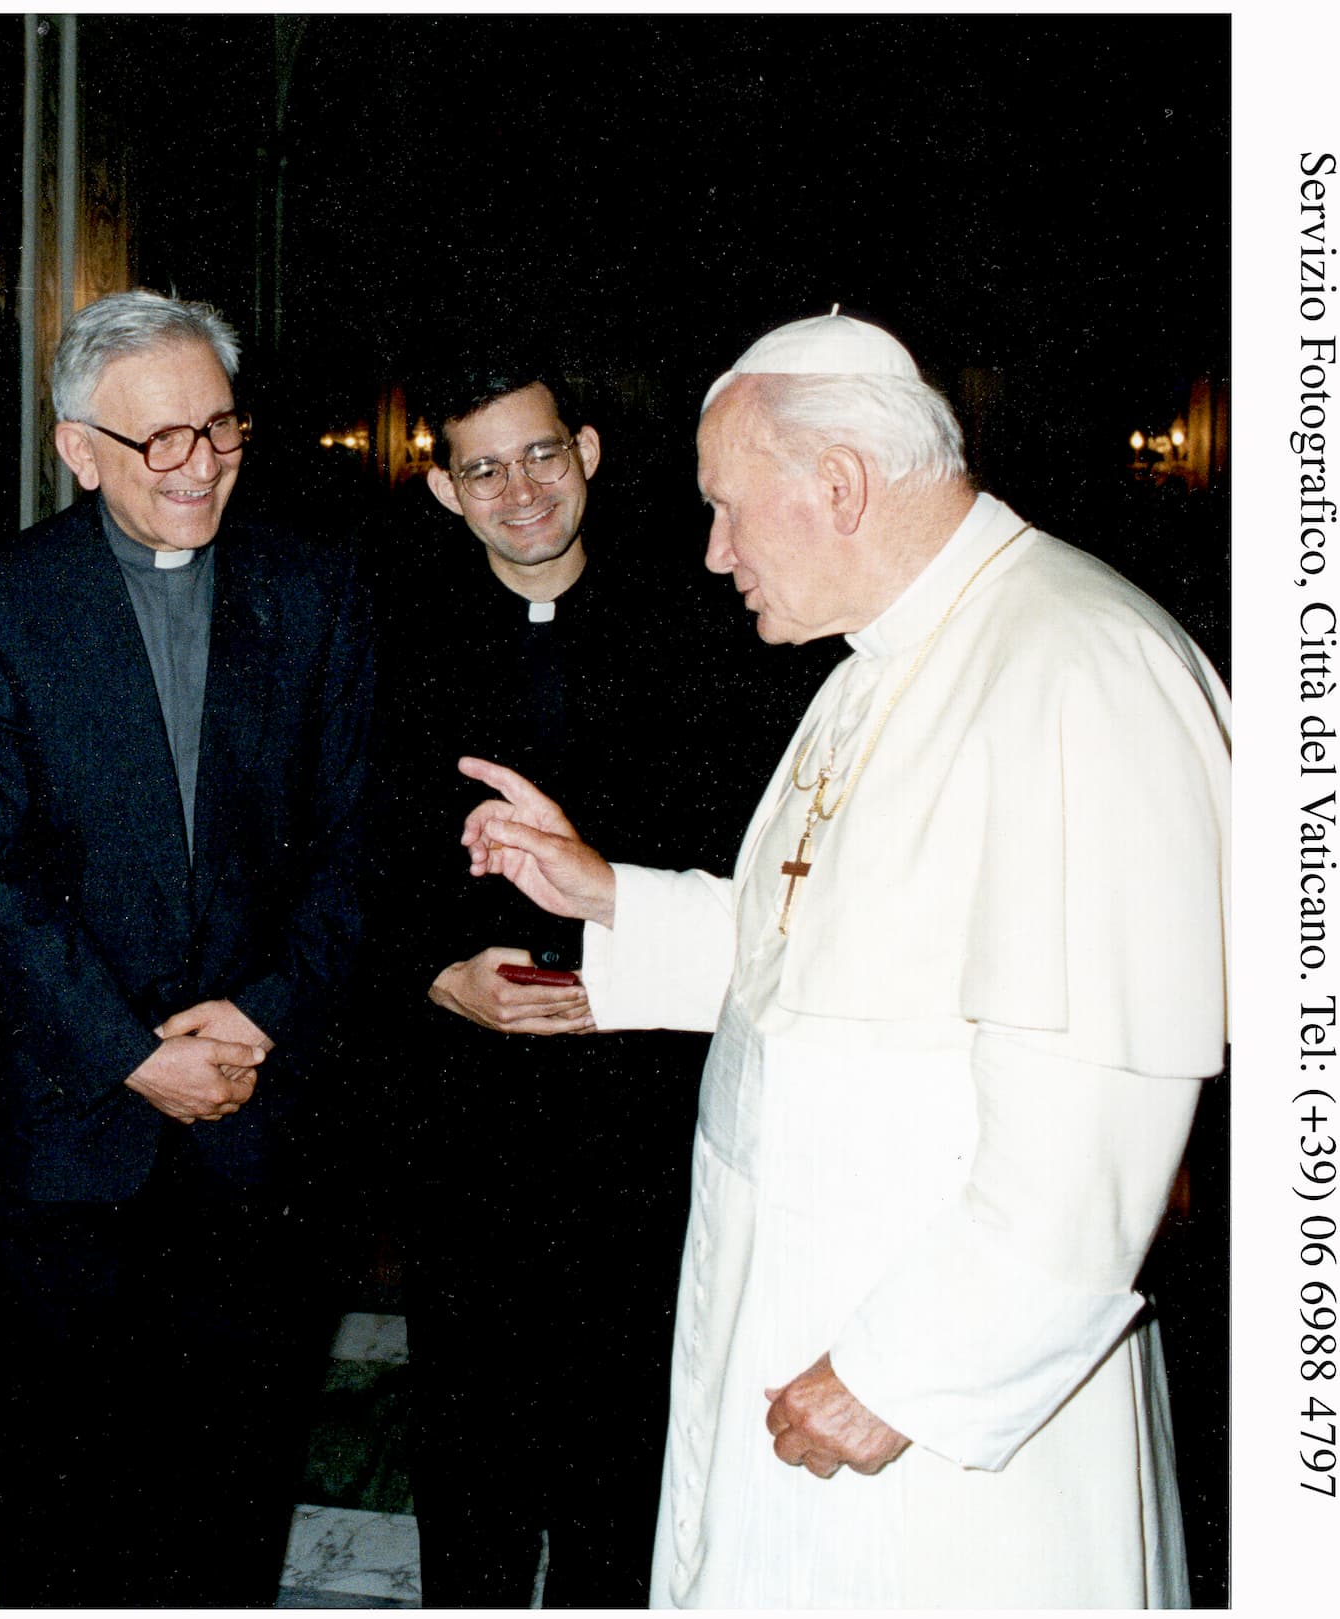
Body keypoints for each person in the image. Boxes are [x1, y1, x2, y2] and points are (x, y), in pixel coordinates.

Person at [462, 311, 1228, 1608]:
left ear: (839, 485)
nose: (712, 552)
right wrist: (605, 890)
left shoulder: (1074, 665)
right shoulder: (882, 665)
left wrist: (906, 1370)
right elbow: (820, 963)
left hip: (934, 1407)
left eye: (727, 509)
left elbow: (1103, 1110)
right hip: (814, 1326)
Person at [0, 289, 374, 1607]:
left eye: (220, 432)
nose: (197, 467)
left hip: (261, 1114)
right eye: (159, 442)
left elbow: (357, 840)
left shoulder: (316, 589)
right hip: (80, 1121)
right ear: (80, 449)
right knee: (70, 1493)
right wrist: (134, 1052)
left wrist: (265, 1015)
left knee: (237, 1479)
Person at [364, 355, 793, 1606]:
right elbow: (347, 849)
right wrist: (434, 973)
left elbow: (751, 855)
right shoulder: (394, 632)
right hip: (469, 1101)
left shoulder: (710, 626)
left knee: (629, 1450)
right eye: (483, 467)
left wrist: (637, 960)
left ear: (590, 452)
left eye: (540, 453)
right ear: (445, 490)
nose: (520, 489)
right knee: (470, 1448)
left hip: (640, 1094)